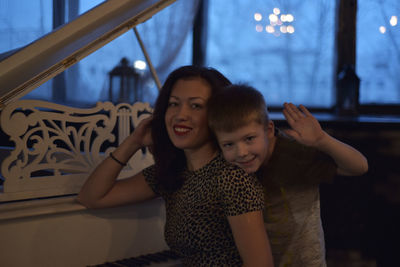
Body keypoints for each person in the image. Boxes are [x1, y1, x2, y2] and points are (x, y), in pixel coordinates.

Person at [77, 66, 274, 267]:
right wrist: (133, 143)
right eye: (173, 104)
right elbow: (92, 197)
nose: (180, 115)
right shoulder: (173, 173)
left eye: (196, 106)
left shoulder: (232, 179)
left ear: (218, 116)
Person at [208, 84, 369, 267]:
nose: (241, 152)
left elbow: (360, 166)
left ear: (268, 130)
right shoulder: (228, 170)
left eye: (249, 139)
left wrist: (322, 140)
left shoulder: (294, 152)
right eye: (229, 144)